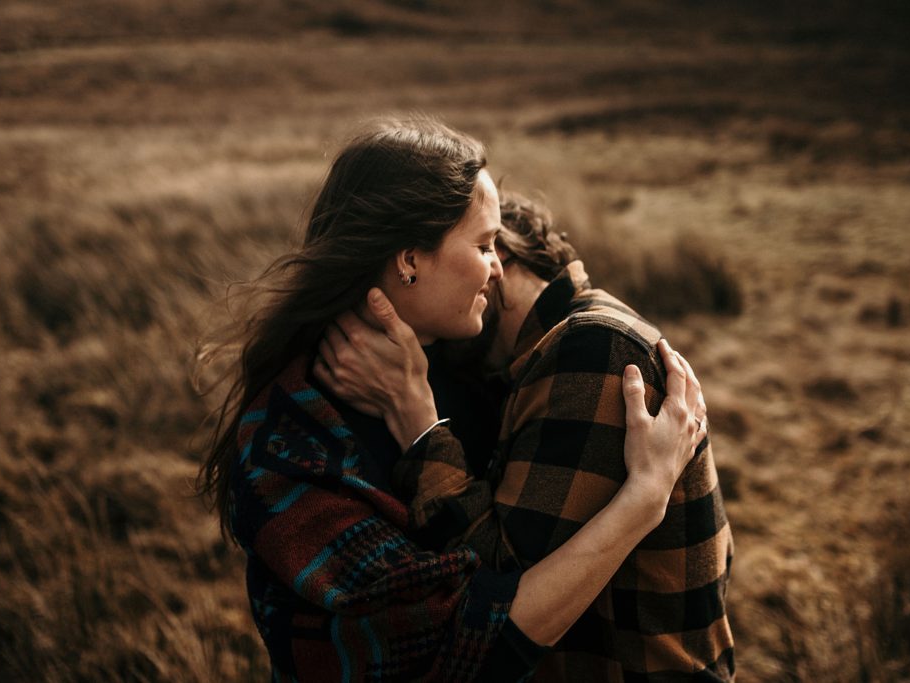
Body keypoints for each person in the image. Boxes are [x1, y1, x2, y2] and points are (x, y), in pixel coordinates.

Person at [196, 118, 708, 682]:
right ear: (409, 260)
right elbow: (471, 649)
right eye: (485, 245)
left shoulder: (461, 373)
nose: (497, 270)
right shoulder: (292, 437)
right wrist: (645, 497)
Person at [319, 193, 735, 681]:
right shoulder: (529, 360)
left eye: (486, 247)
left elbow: (497, 595)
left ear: (501, 257)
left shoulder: (593, 350)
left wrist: (417, 421)